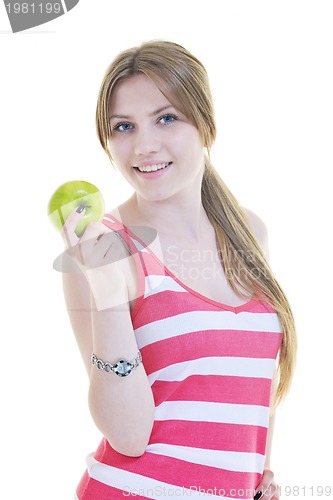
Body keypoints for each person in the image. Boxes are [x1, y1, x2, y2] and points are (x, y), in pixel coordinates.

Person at [61, 40, 297, 500]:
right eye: (123, 126)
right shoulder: (102, 249)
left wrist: (258, 474)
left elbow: (258, 381)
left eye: (166, 118)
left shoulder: (250, 232)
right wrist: (108, 293)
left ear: (206, 125)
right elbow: (127, 437)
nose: (144, 145)